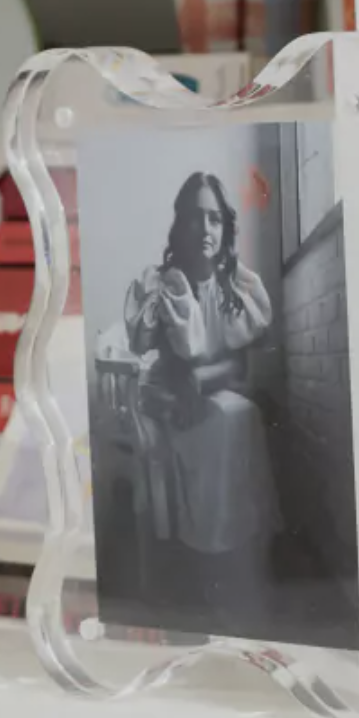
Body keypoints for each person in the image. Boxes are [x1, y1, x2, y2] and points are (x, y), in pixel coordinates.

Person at [123, 171, 279, 625]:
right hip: (166, 393)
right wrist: (188, 385)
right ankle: (206, 558)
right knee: (223, 421)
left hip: (214, 388)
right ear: (180, 225)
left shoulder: (237, 288)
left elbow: (243, 367)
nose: (205, 229)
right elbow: (159, 357)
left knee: (243, 415)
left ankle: (237, 551)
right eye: (195, 218)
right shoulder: (165, 284)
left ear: (226, 228)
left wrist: (206, 380)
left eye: (214, 219)